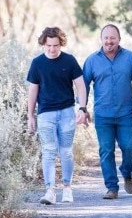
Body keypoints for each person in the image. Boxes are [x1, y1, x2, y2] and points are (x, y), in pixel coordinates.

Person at [82, 24, 132, 199]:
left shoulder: (129, 57)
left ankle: (127, 172)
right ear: (101, 40)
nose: (109, 41)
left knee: (129, 147)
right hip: (103, 115)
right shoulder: (92, 60)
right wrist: (83, 108)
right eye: (106, 38)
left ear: (119, 39)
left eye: (113, 38)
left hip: (126, 113)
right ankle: (112, 187)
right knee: (106, 151)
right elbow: (83, 85)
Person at [27, 27, 87, 205]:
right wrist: (30, 115)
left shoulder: (69, 61)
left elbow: (81, 86)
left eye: (55, 45)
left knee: (66, 151)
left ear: (61, 43)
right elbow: (33, 90)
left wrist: (82, 108)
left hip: (67, 112)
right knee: (48, 151)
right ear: (43, 44)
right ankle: (50, 191)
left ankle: (67, 189)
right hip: (45, 113)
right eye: (48, 46)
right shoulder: (37, 63)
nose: (52, 49)